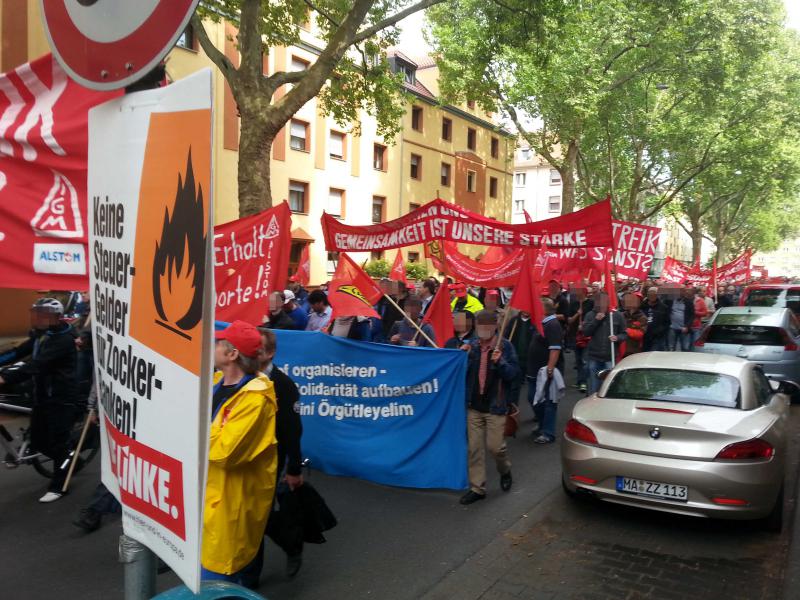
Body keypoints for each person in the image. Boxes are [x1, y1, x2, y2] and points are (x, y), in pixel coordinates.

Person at [202, 320, 278, 583]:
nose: (211, 347)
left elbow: (225, 453)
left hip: (229, 504)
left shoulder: (255, 399)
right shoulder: (214, 382)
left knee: (216, 582)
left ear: (232, 354)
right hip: (209, 497)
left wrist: (194, 427)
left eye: (217, 344)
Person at [241, 328, 305, 586]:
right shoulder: (244, 378)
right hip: (244, 461)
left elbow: (293, 430)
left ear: (271, 352)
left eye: (259, 347)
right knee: (248, 515)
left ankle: (251, 578)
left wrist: (294, 468)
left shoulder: (284, 385)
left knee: (259, 517)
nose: (254, 351)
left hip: (270, 461)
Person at [0, 298, 77, 503]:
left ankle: (60, 486)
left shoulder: (63, 339)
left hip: (60, 397)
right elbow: (17, 353)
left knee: (59, 444)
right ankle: (69, 459)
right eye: (36, 313)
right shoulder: (41, 335)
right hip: (42, 394)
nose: (38, 318)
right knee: (39, 442)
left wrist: (5, 377)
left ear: (55, 318)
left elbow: (36, 364)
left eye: (43, 314)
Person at [459, 310, 519, 505]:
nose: (483, 329)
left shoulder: (505, 346)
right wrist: (463, 356)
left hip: (495, 406)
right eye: (480, 325)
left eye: (487, 325)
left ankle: (505, 469)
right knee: (474, 449)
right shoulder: (473, 347)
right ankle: (478, 488)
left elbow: (513, 375)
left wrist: (500, 362)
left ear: (495, 326)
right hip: (474, 406)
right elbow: (462, 374)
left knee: (495, 448)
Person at [526, 298, 564, 444]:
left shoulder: (552, 324)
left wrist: (550, 367)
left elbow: (555, 348)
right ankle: (542, 425)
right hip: (534, 370)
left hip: (546, 371)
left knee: (549, 402)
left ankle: (548, 432)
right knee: (532, 397)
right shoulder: (541, 323)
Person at [582, 293, 627, 395]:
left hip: (610, 357)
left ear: (608, 301)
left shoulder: (617, 315)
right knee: (594, 386)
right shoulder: (590, 315)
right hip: (594, 356)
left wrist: (617, 337)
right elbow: (586, 333)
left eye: (603, 301)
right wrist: (596, 320)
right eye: (598, 301)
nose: (601, 303)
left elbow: (624, 334)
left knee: (608, 387)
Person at [567, 285, 593, 393]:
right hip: (575, 335)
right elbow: (569, 321)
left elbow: (594, 319)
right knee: (578, 360)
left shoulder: (591, 303)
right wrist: (577, 314)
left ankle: (584, 382)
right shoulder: (573, 304)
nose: (576, 292)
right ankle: (580, 380)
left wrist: (585, 324)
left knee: (584, 360)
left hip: (587, 336)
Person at [505, 310, 534, 406]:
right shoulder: (514, 321)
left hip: (531, 360)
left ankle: (537, 410)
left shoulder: (535, 322)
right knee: (514, 387)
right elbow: (506, 337)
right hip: (516, 359)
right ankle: (513, 410)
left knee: (533, 390)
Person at [641, 287, 670, 351]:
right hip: (645, 336)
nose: (652, 296)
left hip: (657, 337)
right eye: (650, 294)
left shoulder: (663, 307)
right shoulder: (642, 305)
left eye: (654, 294)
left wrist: (660, 331)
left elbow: (667, 322)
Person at [667, 286, 695, 351]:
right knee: (671, 347)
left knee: (685, 348)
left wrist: (687, 326)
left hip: (684, 329)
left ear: (684, 292)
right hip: (672, 328)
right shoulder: (670, 301)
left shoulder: (689, 302)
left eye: (682, 291)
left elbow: (692, 316)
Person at [621, 292, 648, 356]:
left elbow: (639, 334)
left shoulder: (642, 317)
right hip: (620, 348)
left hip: (634, 349)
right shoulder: (622, 315)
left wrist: (625, 330)